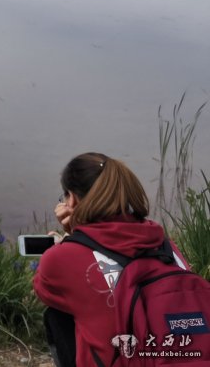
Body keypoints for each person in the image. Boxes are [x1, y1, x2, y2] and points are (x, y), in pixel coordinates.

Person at [32, 152, 189, 367]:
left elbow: (43, 289)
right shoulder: (167, 247)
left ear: (73, 200)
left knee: (57, 313)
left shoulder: (62, 258)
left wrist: (74, 237)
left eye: (65, 196)